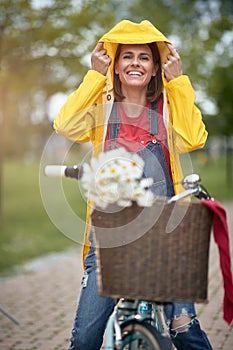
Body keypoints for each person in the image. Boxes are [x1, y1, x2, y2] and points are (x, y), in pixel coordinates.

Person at [54, 20, 212, 350]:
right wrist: (95, 75)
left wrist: (179, 81)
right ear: (115, 63)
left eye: (144, 57)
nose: (135, 64)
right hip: (109, 240)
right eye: (127, 56)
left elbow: (194, 138)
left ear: (156, 67)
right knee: (84, 339)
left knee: (185, 331)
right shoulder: (102, 103)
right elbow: (65, 125)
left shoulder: (169, 105)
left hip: (165, 238)